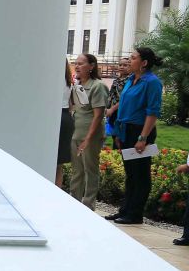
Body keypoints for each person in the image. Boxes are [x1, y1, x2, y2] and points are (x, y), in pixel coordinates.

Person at [108, 46, 162, 225]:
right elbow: (123, 106)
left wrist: (143, 137)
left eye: (133, 58)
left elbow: (152, 111)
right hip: (125, 130)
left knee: (140, 173)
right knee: (130, 173)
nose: (129, 60)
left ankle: (135, 213)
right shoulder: (131, 79)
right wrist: (117, 133)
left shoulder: (152, 82)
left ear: (144, 63)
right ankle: (125, 210)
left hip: (140, 131)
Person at [68, 53, 109, 210]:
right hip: (75, 133)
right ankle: (74, 202)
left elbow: (98, 115)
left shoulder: (98, 86)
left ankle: (88, 204)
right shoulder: (77, 86)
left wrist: (87, 139)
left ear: (91, 66)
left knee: (90, 169)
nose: (77, 66)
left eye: (81, 63)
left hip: (89, 135)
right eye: (75, 63)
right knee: (76, 170)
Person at [57, 59, 76, 187]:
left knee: (51, 157)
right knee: (60, 162)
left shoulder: (54, 81)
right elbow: (71, 105)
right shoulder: (69, 82)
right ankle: (57, 188)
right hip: (66, 118)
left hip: (56, 117)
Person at [106, 55, 131, 145]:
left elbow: (126, 99)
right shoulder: (116, 80)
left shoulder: (131, 81)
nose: (121, 67)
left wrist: (112, 109)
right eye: (120, 65)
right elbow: (111, 95)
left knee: (121, 138)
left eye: (125, 65)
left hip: (123, 112)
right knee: (114, 136)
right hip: (113, 113)